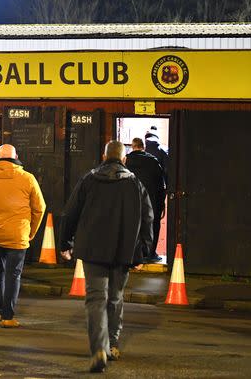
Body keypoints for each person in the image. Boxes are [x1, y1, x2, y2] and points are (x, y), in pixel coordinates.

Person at [59, 140, 154, 373]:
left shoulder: (88, 180)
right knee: (116, 297)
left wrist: (65, 243)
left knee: (95, 299)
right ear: (124, 159)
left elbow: (70, 212)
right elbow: (147, 217)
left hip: (92, 249)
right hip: (123, 249)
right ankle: (112, 343)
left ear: (104, 157)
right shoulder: (135, 184)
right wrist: (143, 253)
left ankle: (99, 348)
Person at [0, 144, 44, 328]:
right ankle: (8, 316)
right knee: (13, 275)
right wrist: (31, 231)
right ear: (16, 157)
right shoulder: (28, 178)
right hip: (19, 236)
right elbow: (39, 208)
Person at [124, 137, 166, 262]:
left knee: (131, 226)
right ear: (144, 147)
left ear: (132, 146)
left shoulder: (125, 161)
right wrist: (161, 203)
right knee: (152, 226)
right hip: (151, 202)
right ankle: (150, 254)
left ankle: (131, 254)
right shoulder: (153, 162)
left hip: (130, 202)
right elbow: (160, 184)